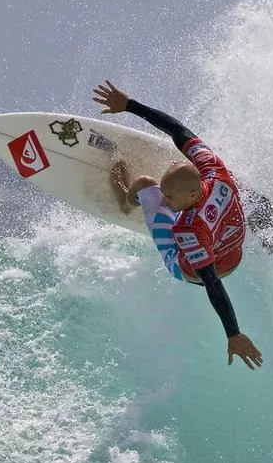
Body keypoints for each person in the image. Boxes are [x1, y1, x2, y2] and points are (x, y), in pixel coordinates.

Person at [93, 80, 263, 370]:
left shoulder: (187, 230)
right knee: (231, 186)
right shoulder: (215, 170)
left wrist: (232, 332)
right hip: (233, 255)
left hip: (188, 269)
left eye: (170, 197)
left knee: (146, 184)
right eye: (166, 195)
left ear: (194, 195)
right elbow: (178, 131)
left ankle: (126, 200)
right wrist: (130, 105)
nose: (166, 200)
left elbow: (211, 281)